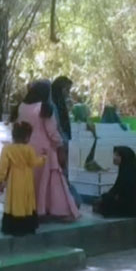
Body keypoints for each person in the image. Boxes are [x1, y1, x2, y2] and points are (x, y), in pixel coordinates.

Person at [14, 80, 80, 222]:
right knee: (52, 180)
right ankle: (59, 211)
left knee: (30, 180)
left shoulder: (21, 107)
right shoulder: (44, 108)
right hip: (44, 149)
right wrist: (60, 145)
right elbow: (52, 131)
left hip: (26, 147)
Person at [0, 122, 46, 236]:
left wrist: (0, 179)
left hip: (14, 179)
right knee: (26, 201)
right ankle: (27, 226)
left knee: (14, 200)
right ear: (27, 136)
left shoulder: (7, 149)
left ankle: (12, 226)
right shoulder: (29, 149)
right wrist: (44, 158)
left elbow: (3, 166)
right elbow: (33, 162)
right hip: (26, 178)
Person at [51, 76, 82, 208]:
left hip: (64, 140)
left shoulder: (60, 102)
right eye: (67, 89)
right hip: (60, 142)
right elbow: (56, 126)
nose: (68, 93)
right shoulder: (53, 105)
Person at [92, 146, 136, 217]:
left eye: (117, 155)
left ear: (124, 157)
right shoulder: (130, 169)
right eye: (114, 155)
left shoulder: (127, 172)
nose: (114, 157)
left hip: (131, 207)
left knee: (105, 201)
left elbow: (116, 190)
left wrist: (104, 197)